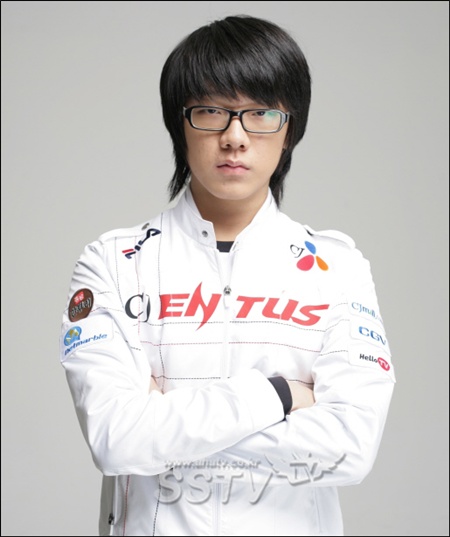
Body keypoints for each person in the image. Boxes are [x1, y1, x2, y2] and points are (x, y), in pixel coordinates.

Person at [59, 14, 396, 536]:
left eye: (260, 113)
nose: (235, 137)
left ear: (290, 129)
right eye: (212, 111)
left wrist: (162, 421)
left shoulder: (338, 268)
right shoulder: (115, 262)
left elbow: (350, 449)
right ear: (179, 124)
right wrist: (279, 396)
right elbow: (115, 438)